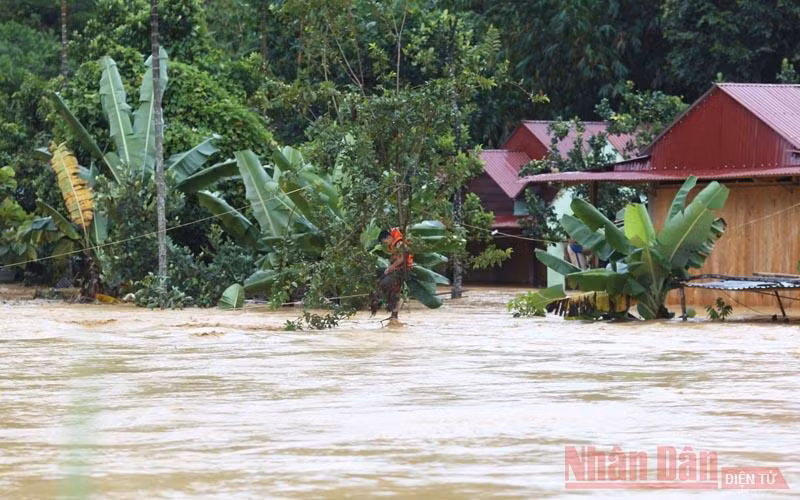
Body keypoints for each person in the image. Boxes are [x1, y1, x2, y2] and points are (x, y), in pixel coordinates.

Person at [369, 227, 413, 321]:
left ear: (389, 237)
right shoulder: (394, 242)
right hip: (396, 269)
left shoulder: (399, 243)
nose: (385, 244)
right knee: (379, 274)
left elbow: (402, 258)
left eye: (385, 242)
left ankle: (394, 306)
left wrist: (390, 268)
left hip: (403, 269)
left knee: (385, 284)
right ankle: (393, 314)